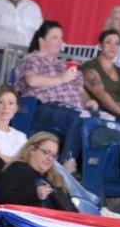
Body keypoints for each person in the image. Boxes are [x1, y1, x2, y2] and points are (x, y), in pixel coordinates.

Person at [14, 20, 98, 165]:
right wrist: (61, 78)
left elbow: (80, 90)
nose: (60, 42)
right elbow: (32, 81)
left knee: (102, 119)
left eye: (61, 38)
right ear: (41, 40)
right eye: (55, 38)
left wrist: (88, 100)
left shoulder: (64, 65)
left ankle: (89, 169)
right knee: (80, 117)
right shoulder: (33, 59)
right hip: (44, 108)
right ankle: (68, 164)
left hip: (74, 109)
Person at [0, 131, 78, 212]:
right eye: (46, 152)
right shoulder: (17, 168)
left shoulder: (56, 177)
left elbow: (71, 208)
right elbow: (4, 199)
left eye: (53, 155)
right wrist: (33, 193)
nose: (50, 159)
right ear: (32, 149)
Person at [82, 29, 120, 125]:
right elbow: (100, 93)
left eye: (117, 43)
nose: (113, 46)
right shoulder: (89, 66)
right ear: (101, 45)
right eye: (108, 42)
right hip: (102, 113)